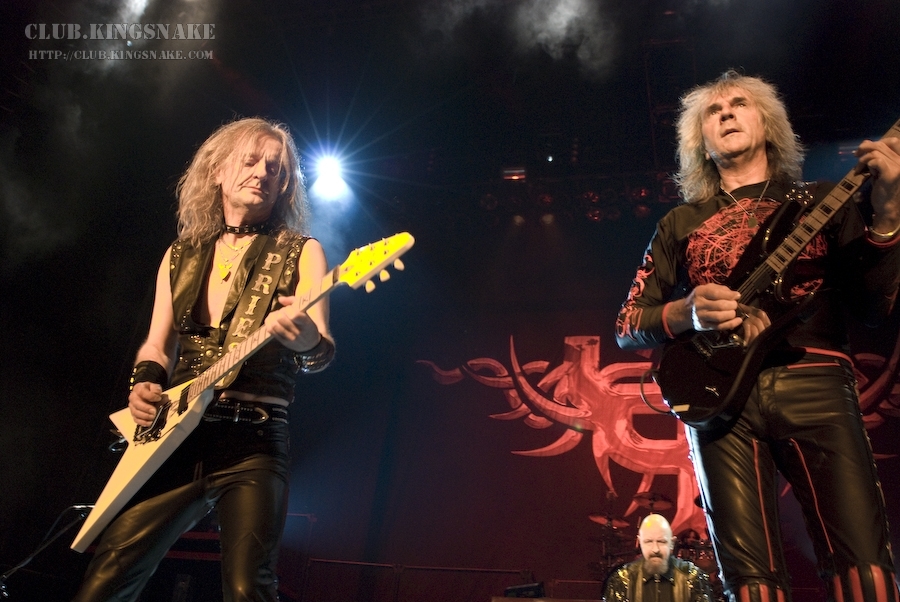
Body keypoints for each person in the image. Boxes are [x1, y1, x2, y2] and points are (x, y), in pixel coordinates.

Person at [615, 69, 900, 602]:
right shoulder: (679, 223)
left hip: (815, 377)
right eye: (713, 110)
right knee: (749, 580)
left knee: (863, 561)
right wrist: (685, 312)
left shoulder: (822, 199)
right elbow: (628, 323)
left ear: (768, 124)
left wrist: (887, 211)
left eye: (740, 103)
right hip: (717, 397)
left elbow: (874, 306)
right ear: (699, 141)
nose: (726, 112)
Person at [72, 117, 334, 601]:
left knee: (248, 588)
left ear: (284, 186)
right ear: (217, 171)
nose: (262, 173)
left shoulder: (301, 251)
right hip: (177, 436)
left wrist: (302, 339)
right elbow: (157, 344)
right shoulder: (181, 254)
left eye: (275, 169)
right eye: (250, 161)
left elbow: (320, 351)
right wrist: (145, 382)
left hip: (254, 441)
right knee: (107, 579)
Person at [603, 514, 713, 602]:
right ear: (640, 542)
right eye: (648, 542)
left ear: (672, 543)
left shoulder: (692, 576)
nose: (655, 549)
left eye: (661, 541)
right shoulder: (623, 578)